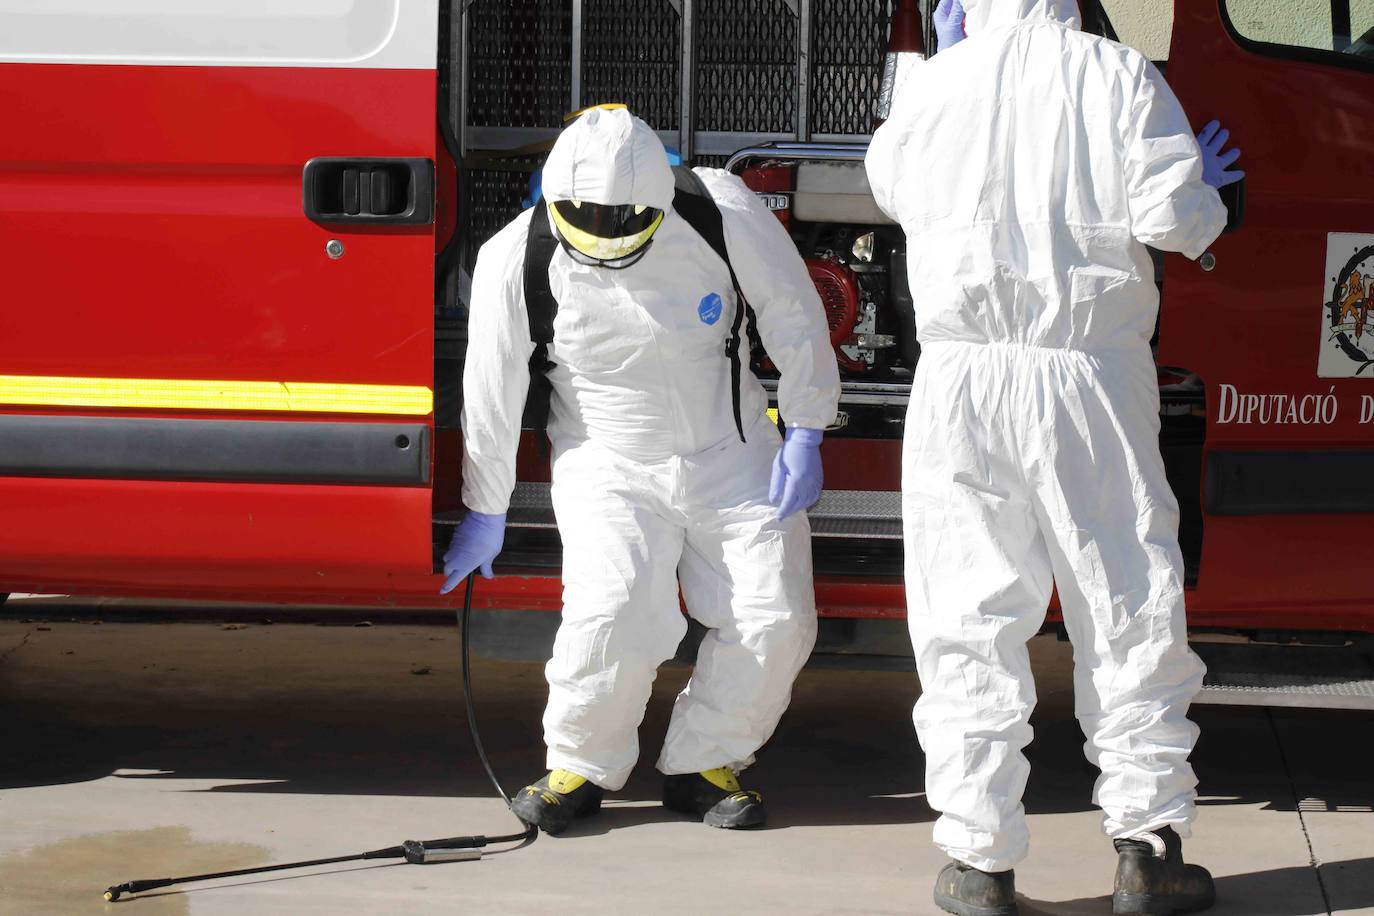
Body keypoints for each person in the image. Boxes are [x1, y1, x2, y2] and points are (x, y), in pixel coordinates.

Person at [865, 1, 1243, 914]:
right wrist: (1211, 196)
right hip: (1088, 375)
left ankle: (976, 863)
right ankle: (1149, 850)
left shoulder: (932, 86)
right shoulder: (1118, 75)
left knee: (966, 614)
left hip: (960, 379)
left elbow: (891, 188)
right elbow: (1173, 216)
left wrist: (939, 78)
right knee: (1124, 604)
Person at [442, 106, 841, 834]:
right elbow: (490, 389)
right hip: (607, 456)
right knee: (612, 613)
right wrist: (486, 505)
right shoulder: (514, 256)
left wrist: (809, 424)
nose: (608, 237)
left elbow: (793, 311)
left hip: (733, 447)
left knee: (775, 617)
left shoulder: (720, 210)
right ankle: (581, 765)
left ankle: (705, 763)